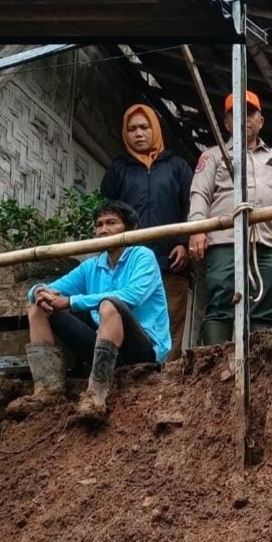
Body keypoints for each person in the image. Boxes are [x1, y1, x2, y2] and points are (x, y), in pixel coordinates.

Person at [10, 200, 171, 422]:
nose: (103, 229)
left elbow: (131, 296)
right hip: (103, 346)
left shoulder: (142, 257)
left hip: (142, 351)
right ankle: (48, 391)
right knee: (37, 307)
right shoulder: (92, 266)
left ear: (131, 228)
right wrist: (38, 291)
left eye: (111, 223)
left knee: (109, 304)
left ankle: (96, 394)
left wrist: (71, 301)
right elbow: (51, 288)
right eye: (99, 224)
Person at [187, 90, 272, 344]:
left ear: (261, 120)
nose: (244, 119)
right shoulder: (213, 156)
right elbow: (199, 196)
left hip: (266, 244)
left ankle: (259, 369)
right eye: (236, 114)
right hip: (224, 242)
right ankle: (214, 366)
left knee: (265, 305)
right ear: (226, 123)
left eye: (250, 113)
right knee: (221, 301)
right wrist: (197, 230)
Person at [101, 104, 192, 361]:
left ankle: (168, 375)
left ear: (155, 129)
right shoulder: (120, 168)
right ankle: (134, 370)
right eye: (132, 129)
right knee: (131, 314)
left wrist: (184, 243)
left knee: (171, 316)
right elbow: (107, 208)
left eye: (144, 127)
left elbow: (192, 206)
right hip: (130, 261)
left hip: (171, 259)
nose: (138, 133)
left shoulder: (177, 166)